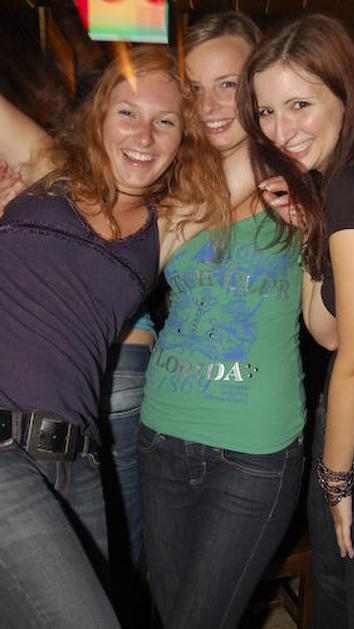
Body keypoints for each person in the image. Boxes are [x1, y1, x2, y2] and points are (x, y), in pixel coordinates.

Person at [0, 44, 228, 628]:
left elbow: (283, 139)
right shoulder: (45, 168)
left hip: (77, 464)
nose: (144, 136)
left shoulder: (169, 224)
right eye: (127, 112)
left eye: (166, 121)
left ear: (185, 139)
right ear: (98, 114)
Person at [136, 12, 322, 629]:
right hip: (160, 434)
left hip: (254, 451)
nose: (211, 105)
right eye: (194, 88)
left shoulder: (306, 181)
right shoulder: (166, 178)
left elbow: (327, 330)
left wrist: (317, 244)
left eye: (229, 84)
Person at [238, 12, 354, 629]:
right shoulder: (349, 180)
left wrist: (336, 479)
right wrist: (307, 229)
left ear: (345, 94)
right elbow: (328, 329)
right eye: (266, 111)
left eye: (300, 105)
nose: (280, 130)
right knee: (337, 604)